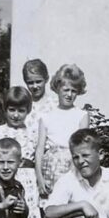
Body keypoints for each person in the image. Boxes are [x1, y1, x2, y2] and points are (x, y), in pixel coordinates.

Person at [0, 86, 42, 218]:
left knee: (26, 213)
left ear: (28, 110)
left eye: (21, 110)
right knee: (6, 217)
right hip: (4, 181)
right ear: (5, 109)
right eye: (12, 110)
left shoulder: (34, 133)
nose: (16, 115)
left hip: (28, 181)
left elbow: (39, 158)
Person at [35, 64, 91, 196]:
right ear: (57, 89)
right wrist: (39, 178)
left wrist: (74, 174)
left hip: (73, 166)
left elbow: (82, 147)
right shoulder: (46, 116)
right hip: (49, 167)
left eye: (74, 91)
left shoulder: (81, 115)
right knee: (50, 209)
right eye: (66, 90)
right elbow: (39, 149)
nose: (69, 94)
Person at [23, 58, 57, 149]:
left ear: (46, 79)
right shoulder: (23, 105)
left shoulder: (55, 105)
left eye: (38, 81)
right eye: (30, 83)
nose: (35, 86)